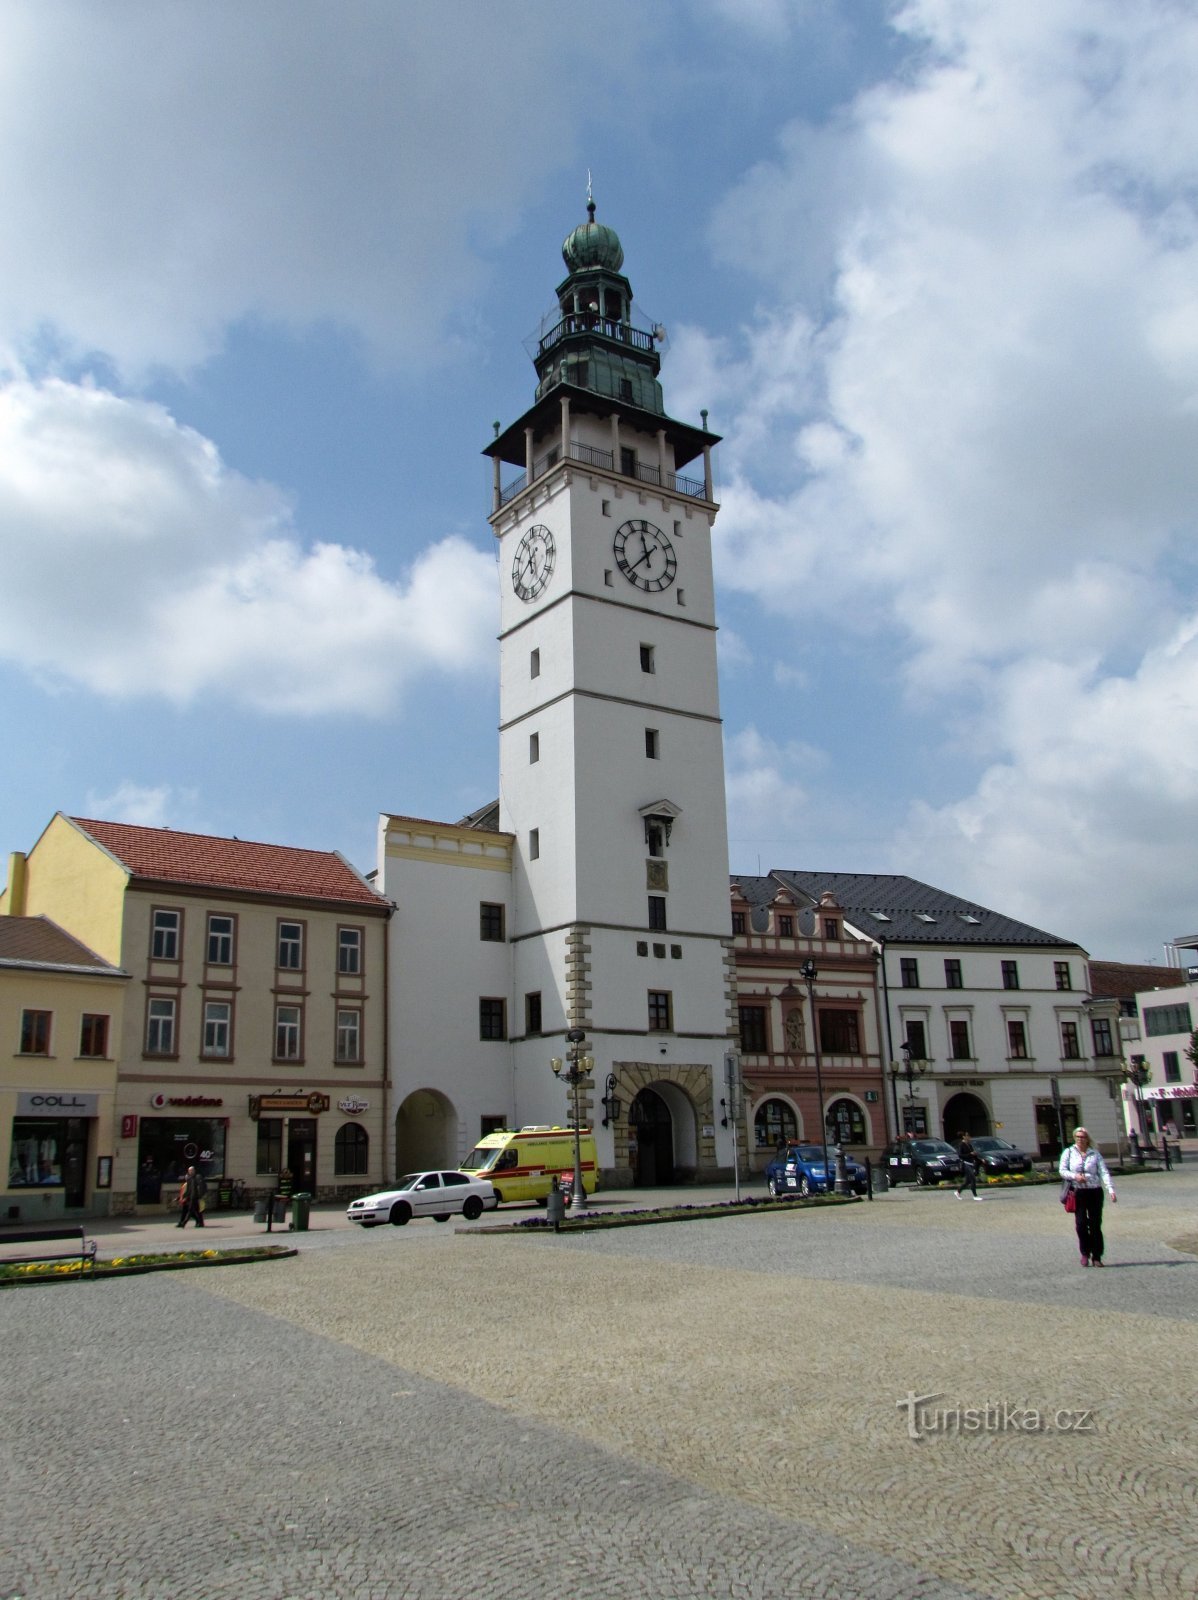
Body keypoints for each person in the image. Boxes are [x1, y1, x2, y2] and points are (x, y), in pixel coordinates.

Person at [1058, 1127, 1116, 1266]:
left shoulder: (1095, 1153)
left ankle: (1097, 1256)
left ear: (1087, 1138)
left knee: (1095, 1225)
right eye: (1077, 1136)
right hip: (1078, 1192)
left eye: (1083, 1137)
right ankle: (1085, 1252)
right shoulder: (1069, 1152)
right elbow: (1062, 1170)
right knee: (1081, 1224)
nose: (1080, 1139)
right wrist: (1075, 1176)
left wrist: (1110, 1189)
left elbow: (1103, 1172)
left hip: (1094, 1191)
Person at [955, 1132, 982, 1200]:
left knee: (967, 1181)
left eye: (969, 1135)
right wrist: (970, 1154)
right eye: (967, 1135)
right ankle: (975, 1196)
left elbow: (973, 1155)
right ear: (964, 1137)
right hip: (965, 1163)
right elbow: (960, 1155)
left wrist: (980, 1160)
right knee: (973, 1178)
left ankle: (958, 1191)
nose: (969, 1137)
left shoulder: (969, 1145)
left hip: (971, 1163)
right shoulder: (961, 1145)